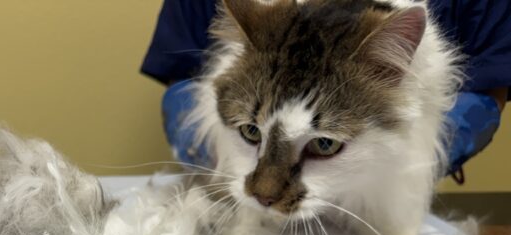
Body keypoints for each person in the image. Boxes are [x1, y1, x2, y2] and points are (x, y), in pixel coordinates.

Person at [141, 0, 511, 176]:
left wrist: (427, 154)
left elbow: (488, 85)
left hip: (388, 184)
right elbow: (183, 80)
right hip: (240, 179)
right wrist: (213, 144)